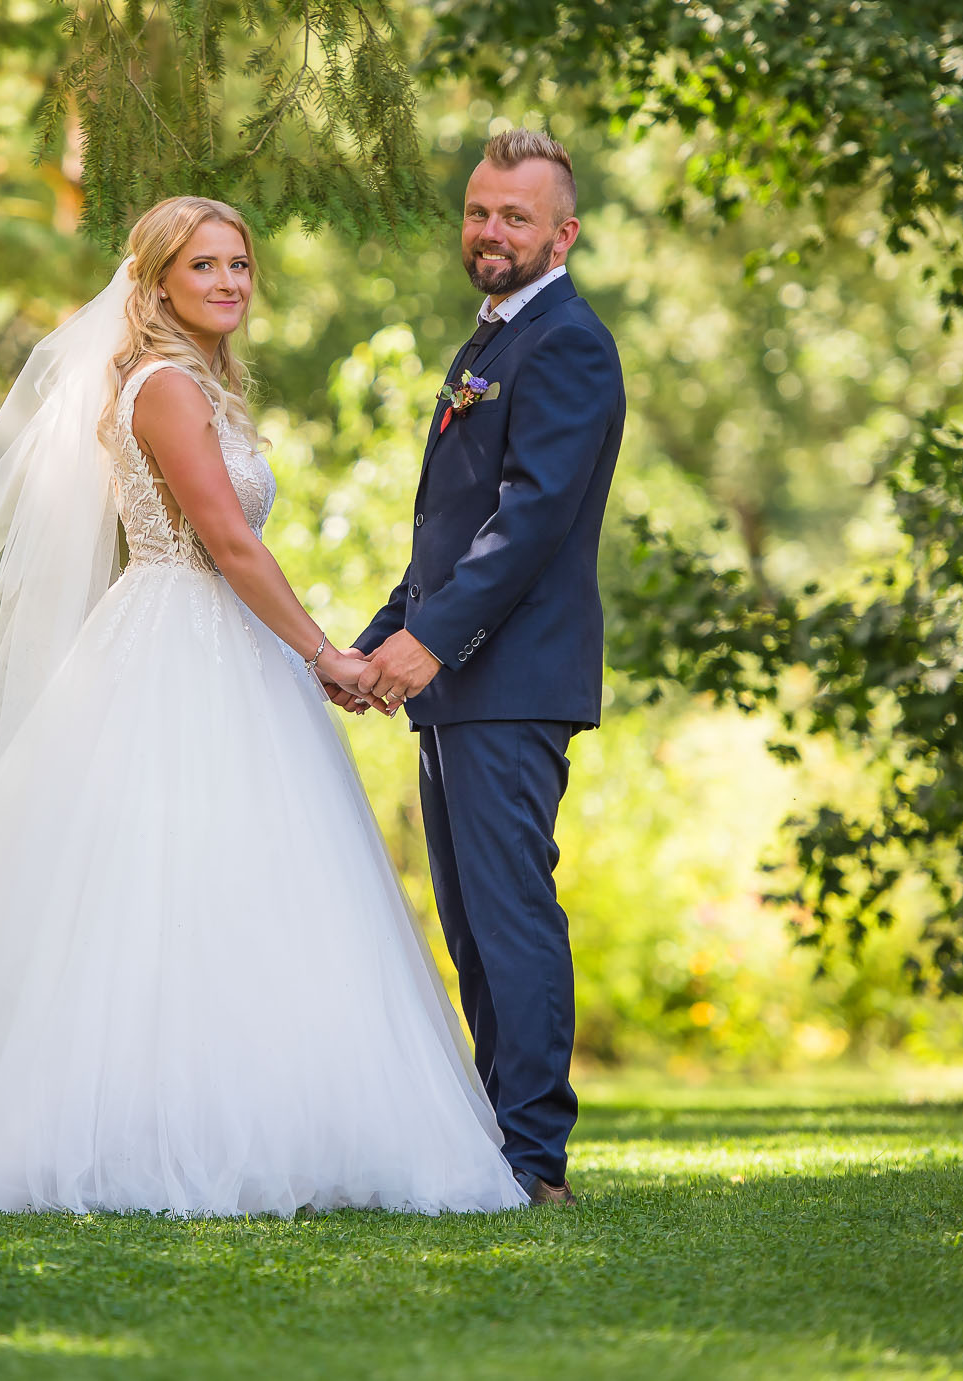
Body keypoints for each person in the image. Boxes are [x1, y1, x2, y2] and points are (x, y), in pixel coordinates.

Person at [0, 195, 527, 1216]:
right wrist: (324, 653)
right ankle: (135, 1129)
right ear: (158, 284)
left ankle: (261, 1117)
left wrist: (308, 652)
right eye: (203, 265)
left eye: (239, 263)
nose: (228, 281)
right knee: (153, 882)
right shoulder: (167, 387)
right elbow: (226, 543)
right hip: (178, 637)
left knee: (243, 885)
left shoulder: (202, 386)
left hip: (224, 643)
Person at [342, 129, 628, 1207]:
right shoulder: (491, 341)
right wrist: (379, 637)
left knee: (509, 915)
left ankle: (534, 1158)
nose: (490, 230)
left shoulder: (567, 342)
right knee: (469, 922)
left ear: (564, 233)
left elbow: (530, 521)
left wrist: (428, 641)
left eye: (515, 215)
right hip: (458, 679)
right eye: (477, 211)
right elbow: (451, 533)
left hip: (512, 680)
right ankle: (498, 1140)